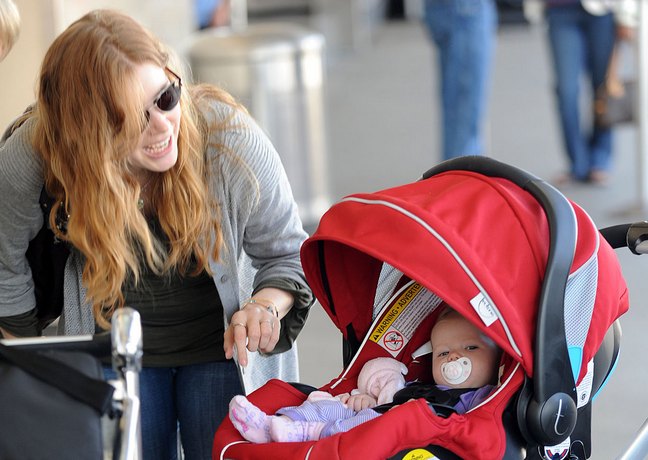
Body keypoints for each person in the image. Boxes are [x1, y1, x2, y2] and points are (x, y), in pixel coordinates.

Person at [0, 9, 313, 460]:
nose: (163, 124)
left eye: (165, 96)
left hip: (220, 351)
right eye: (131, 119)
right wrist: (37, 367)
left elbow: (289, 254)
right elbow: (3, 264)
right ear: (85, 132)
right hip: (114, 349)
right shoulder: (34, 159)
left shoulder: (226, 138)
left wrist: (265, 306)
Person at [229, 308, 502, 443]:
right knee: (336, 404)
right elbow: (388, 397)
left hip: (400, 426)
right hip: (383, 409)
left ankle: (305, 432)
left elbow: (478, 433)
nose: (454, 358)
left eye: (470, 348)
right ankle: (276, 423)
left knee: (367, 424)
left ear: (499, 358)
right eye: (443, 353)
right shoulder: (421, 385)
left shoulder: (483, 400)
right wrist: (366, 399)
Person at [544, 0, 637, 185]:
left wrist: (627, 15)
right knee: (566, 91)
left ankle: (599, 160)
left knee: (603, 88)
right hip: (558, 10)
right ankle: (577, 164)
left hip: (602, 10)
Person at [422, 0, 498, 161]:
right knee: (464, 111)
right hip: (464, 9)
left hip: (451, 9)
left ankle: (458, 176)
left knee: (457, 104)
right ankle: (459, 179)